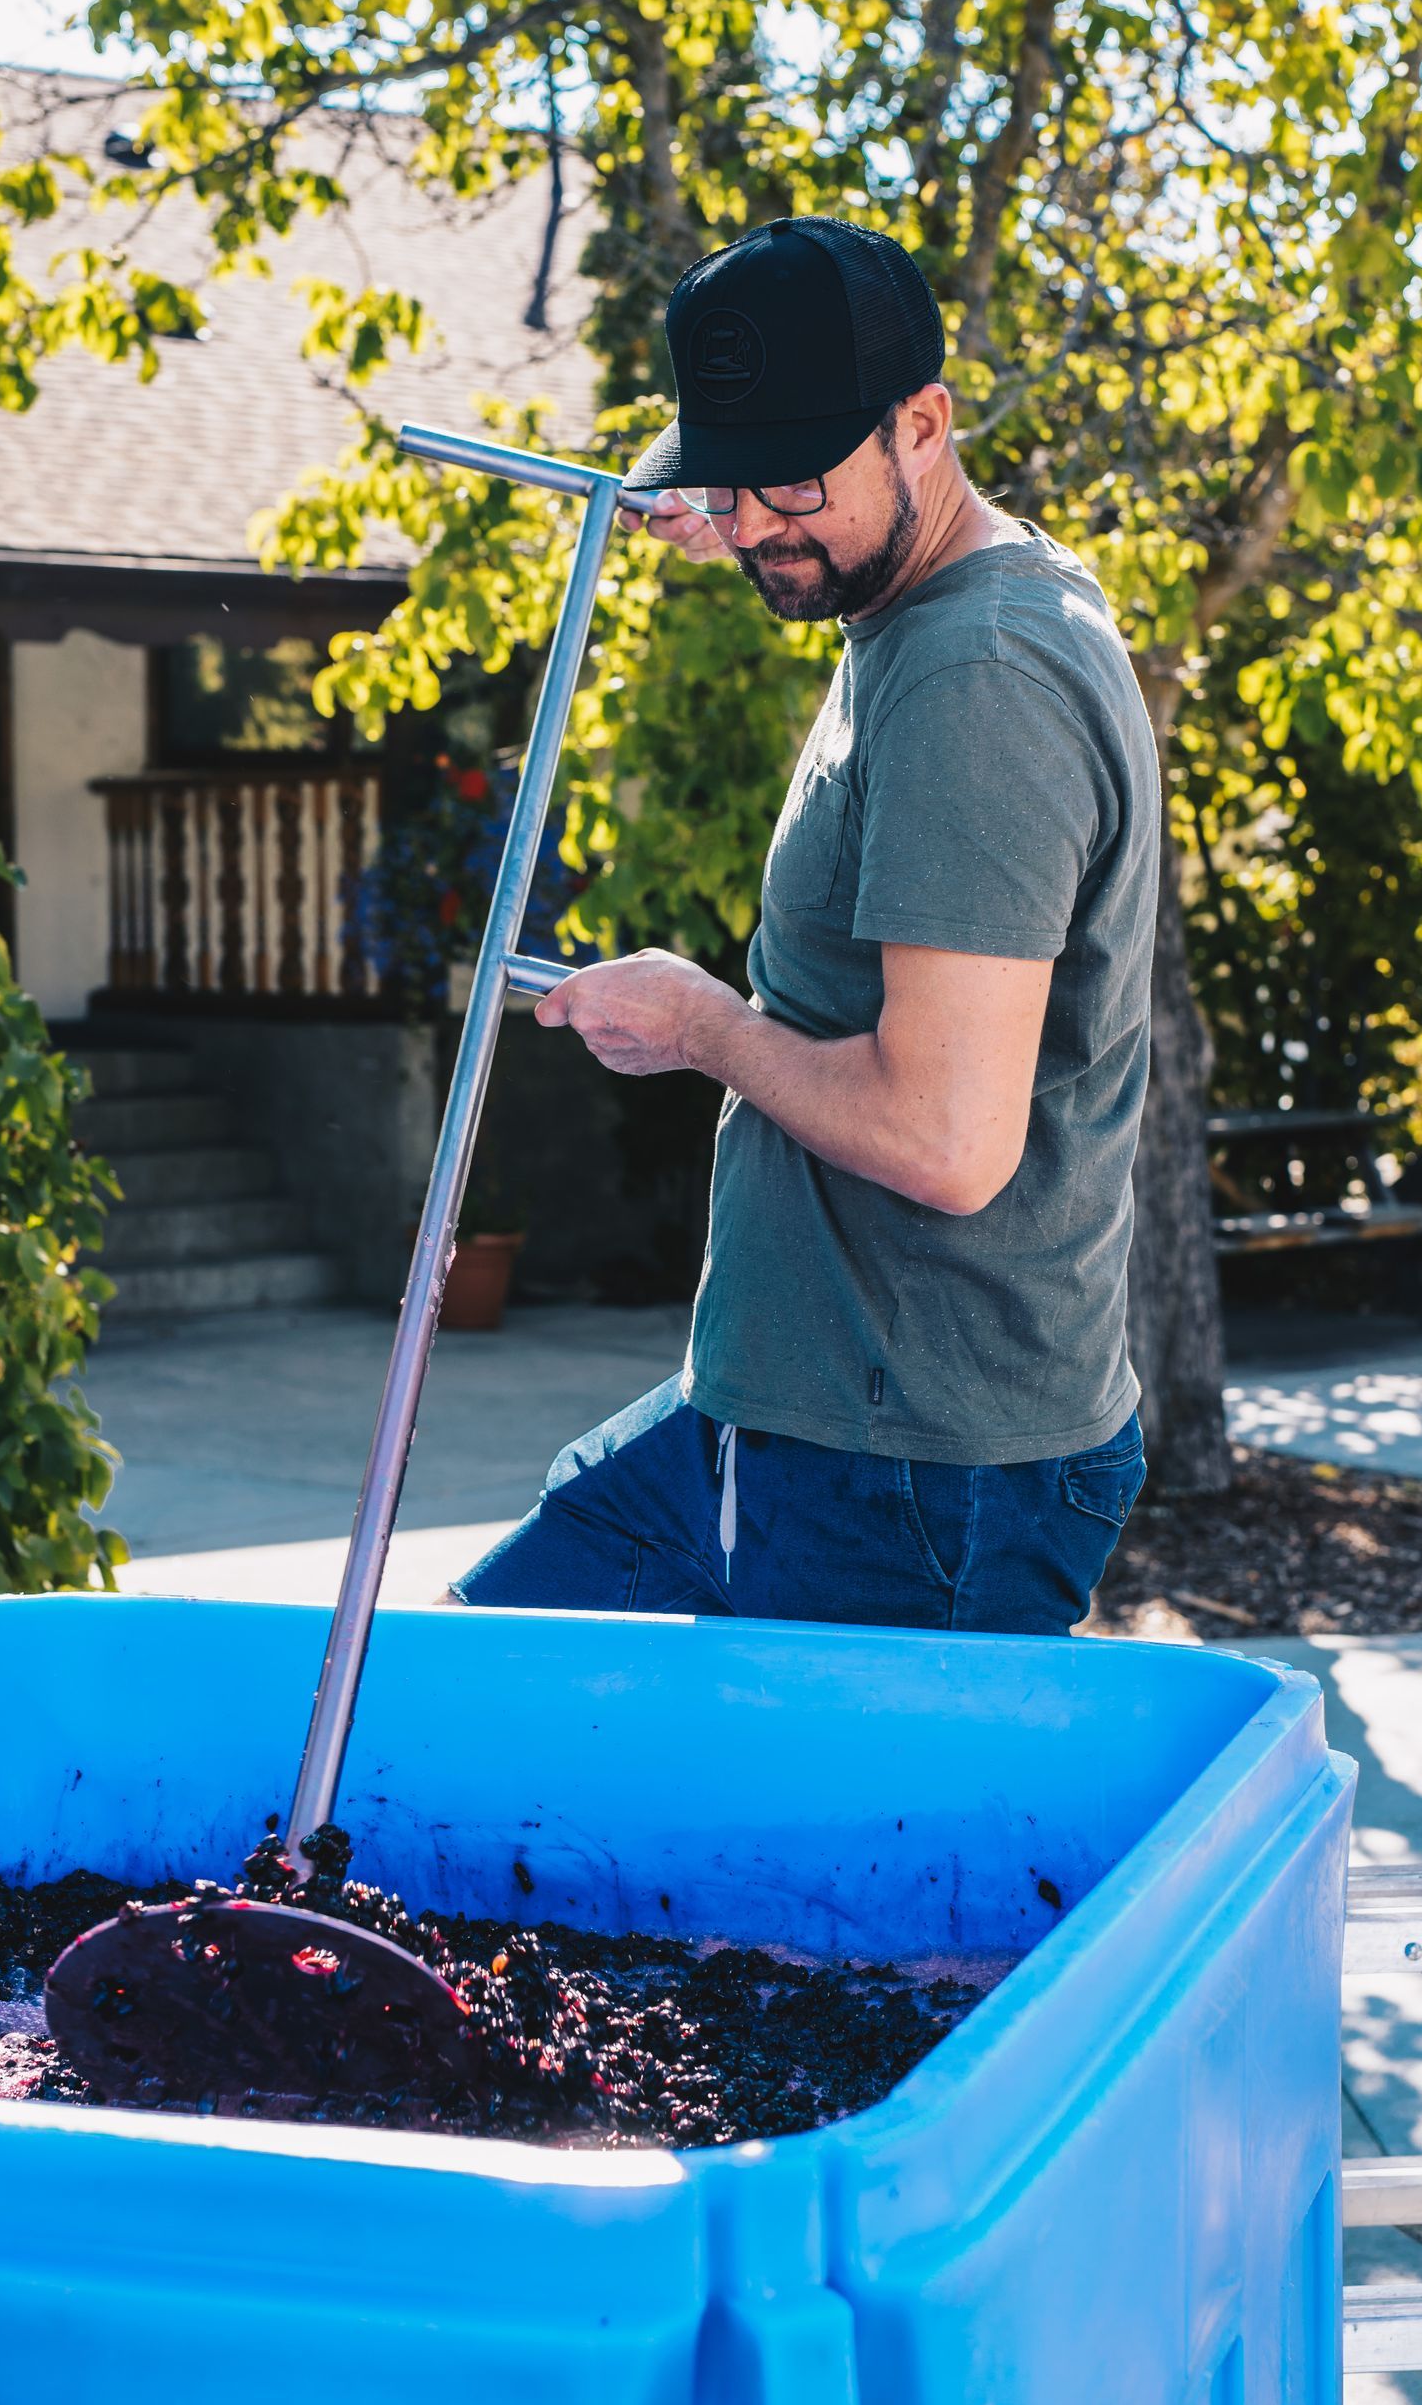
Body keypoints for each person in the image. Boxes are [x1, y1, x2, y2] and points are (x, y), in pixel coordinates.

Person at [453, 215, 1159, 1636]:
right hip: (798, 1405)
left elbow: (944, 1142)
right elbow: (787, 516)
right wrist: (732, 506)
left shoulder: (977, 677)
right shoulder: (925, 599)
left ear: (923, 424)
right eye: (724, 481)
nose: (753, 523)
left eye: (790, 478)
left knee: (601, 1813)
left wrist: (702, 1025)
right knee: (471, 1697)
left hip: (909, 1480)